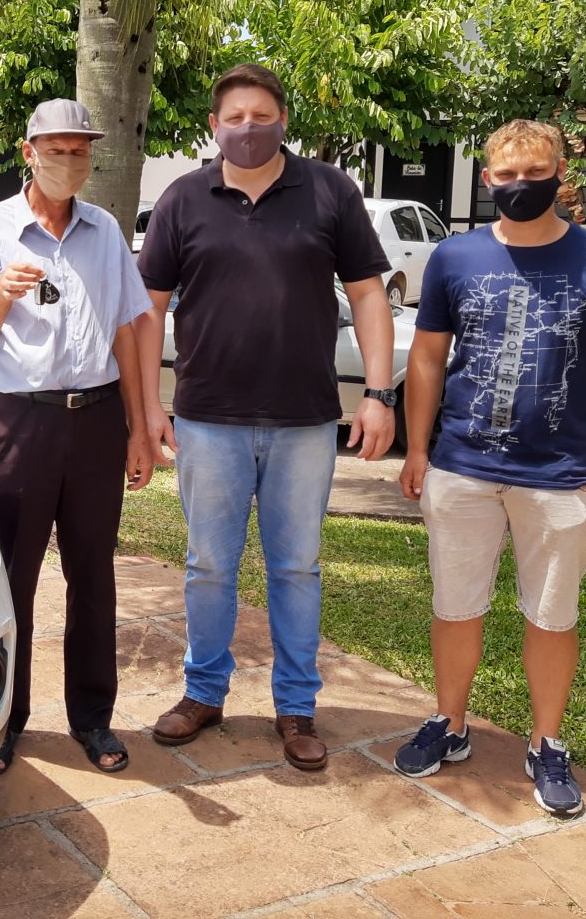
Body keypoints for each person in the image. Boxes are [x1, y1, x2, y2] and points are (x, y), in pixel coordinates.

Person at [135, 63, 396, 771]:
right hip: (207, 419)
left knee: (297, 568)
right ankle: (204, 693)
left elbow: (368, 295)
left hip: (304, 420)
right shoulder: (183, 199)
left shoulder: (330, 191)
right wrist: (150, 407)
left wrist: (379, 394)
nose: (247, 129)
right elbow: (148, 309)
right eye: (234, 118)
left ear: (284, 119)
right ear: (213, 126)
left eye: (261, 116)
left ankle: (296, 707)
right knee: (208, 566)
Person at [395, 119, 586, 817]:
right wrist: (417, 449)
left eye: (535, 173)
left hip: (560, 473)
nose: (520, 185)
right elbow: (426, 356)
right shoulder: (455, 257)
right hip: (462, 466)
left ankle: (546, 743)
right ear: (487, 179)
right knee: (454, 607)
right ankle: (450, 723)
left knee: (552, 616)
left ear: (560, 174)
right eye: (506, 175)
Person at [0, 97, 154, 777]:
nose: (70, 161)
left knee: (93, 575)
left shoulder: (105, 232)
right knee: (13, 579)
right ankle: (5, 721)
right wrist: (0, 294)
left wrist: (138, 428)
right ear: (28, 153)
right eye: (57, 149)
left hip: (96, 421)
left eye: (80, 150)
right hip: (20, 422)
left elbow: (126, 331)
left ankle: (92, 719)